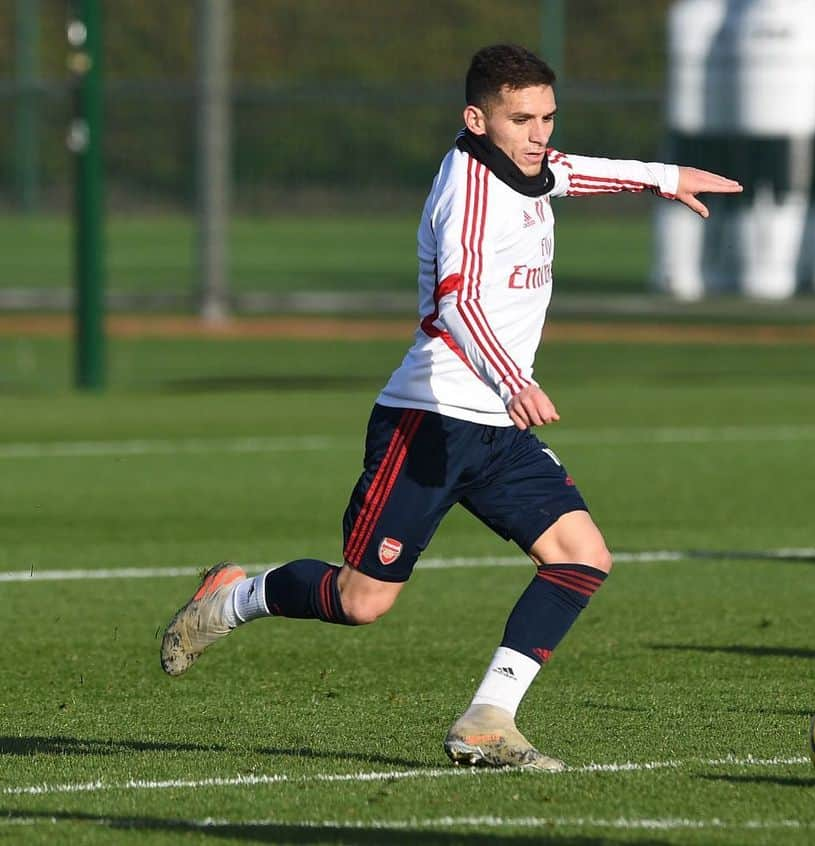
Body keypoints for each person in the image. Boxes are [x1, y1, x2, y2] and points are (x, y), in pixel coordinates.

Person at [161, 43, 741, 771]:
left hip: (498, 427)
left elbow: (573, 170)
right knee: (362, 601)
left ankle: (488, 718)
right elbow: (456, 302)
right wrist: (513, 379)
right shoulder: (466, 189)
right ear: (476, 118)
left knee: (580, 558)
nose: (539, 133)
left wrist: (665, 179)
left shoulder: (529, 164)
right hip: (429, 420)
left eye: (547, 117)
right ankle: (235, 597)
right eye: (521, 118)